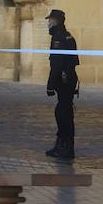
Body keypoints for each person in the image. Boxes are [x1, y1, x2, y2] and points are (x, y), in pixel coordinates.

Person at [45, 9, 79, 160]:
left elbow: (57, 64)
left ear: (56, 21)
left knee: (64, 114)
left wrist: (50, 85)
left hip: (64, 81)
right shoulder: (68, 36)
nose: (48, 24)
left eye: (50, 21)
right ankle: (61, 144)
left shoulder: (59, 38)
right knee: (62, 112)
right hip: (69, 79)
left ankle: (67, 147)